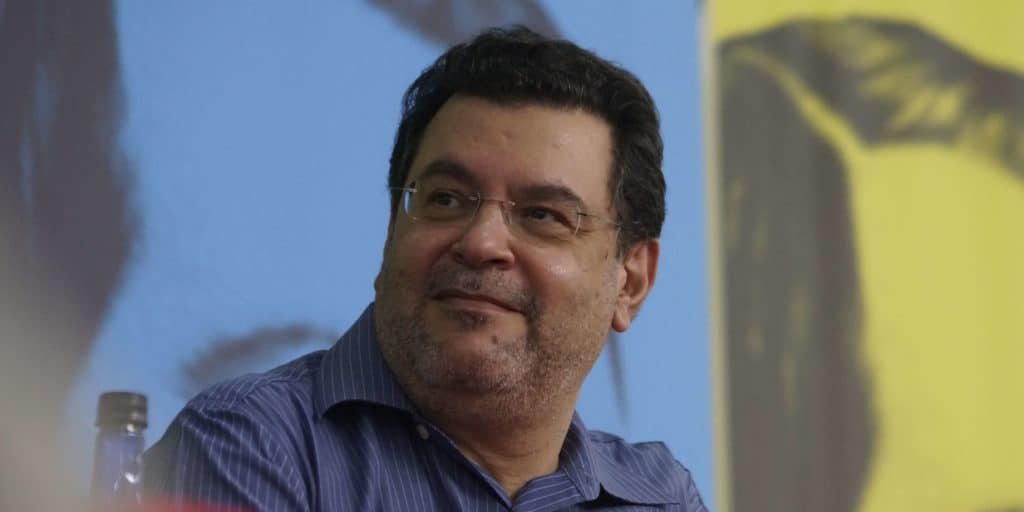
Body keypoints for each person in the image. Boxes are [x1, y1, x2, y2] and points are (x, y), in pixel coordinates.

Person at [145, 26, 707, 511]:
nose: (481, 242)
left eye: (542, 215)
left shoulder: (656, 497)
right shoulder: (251, 446)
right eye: (445, 199)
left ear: (631, 282)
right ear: (392, 229)